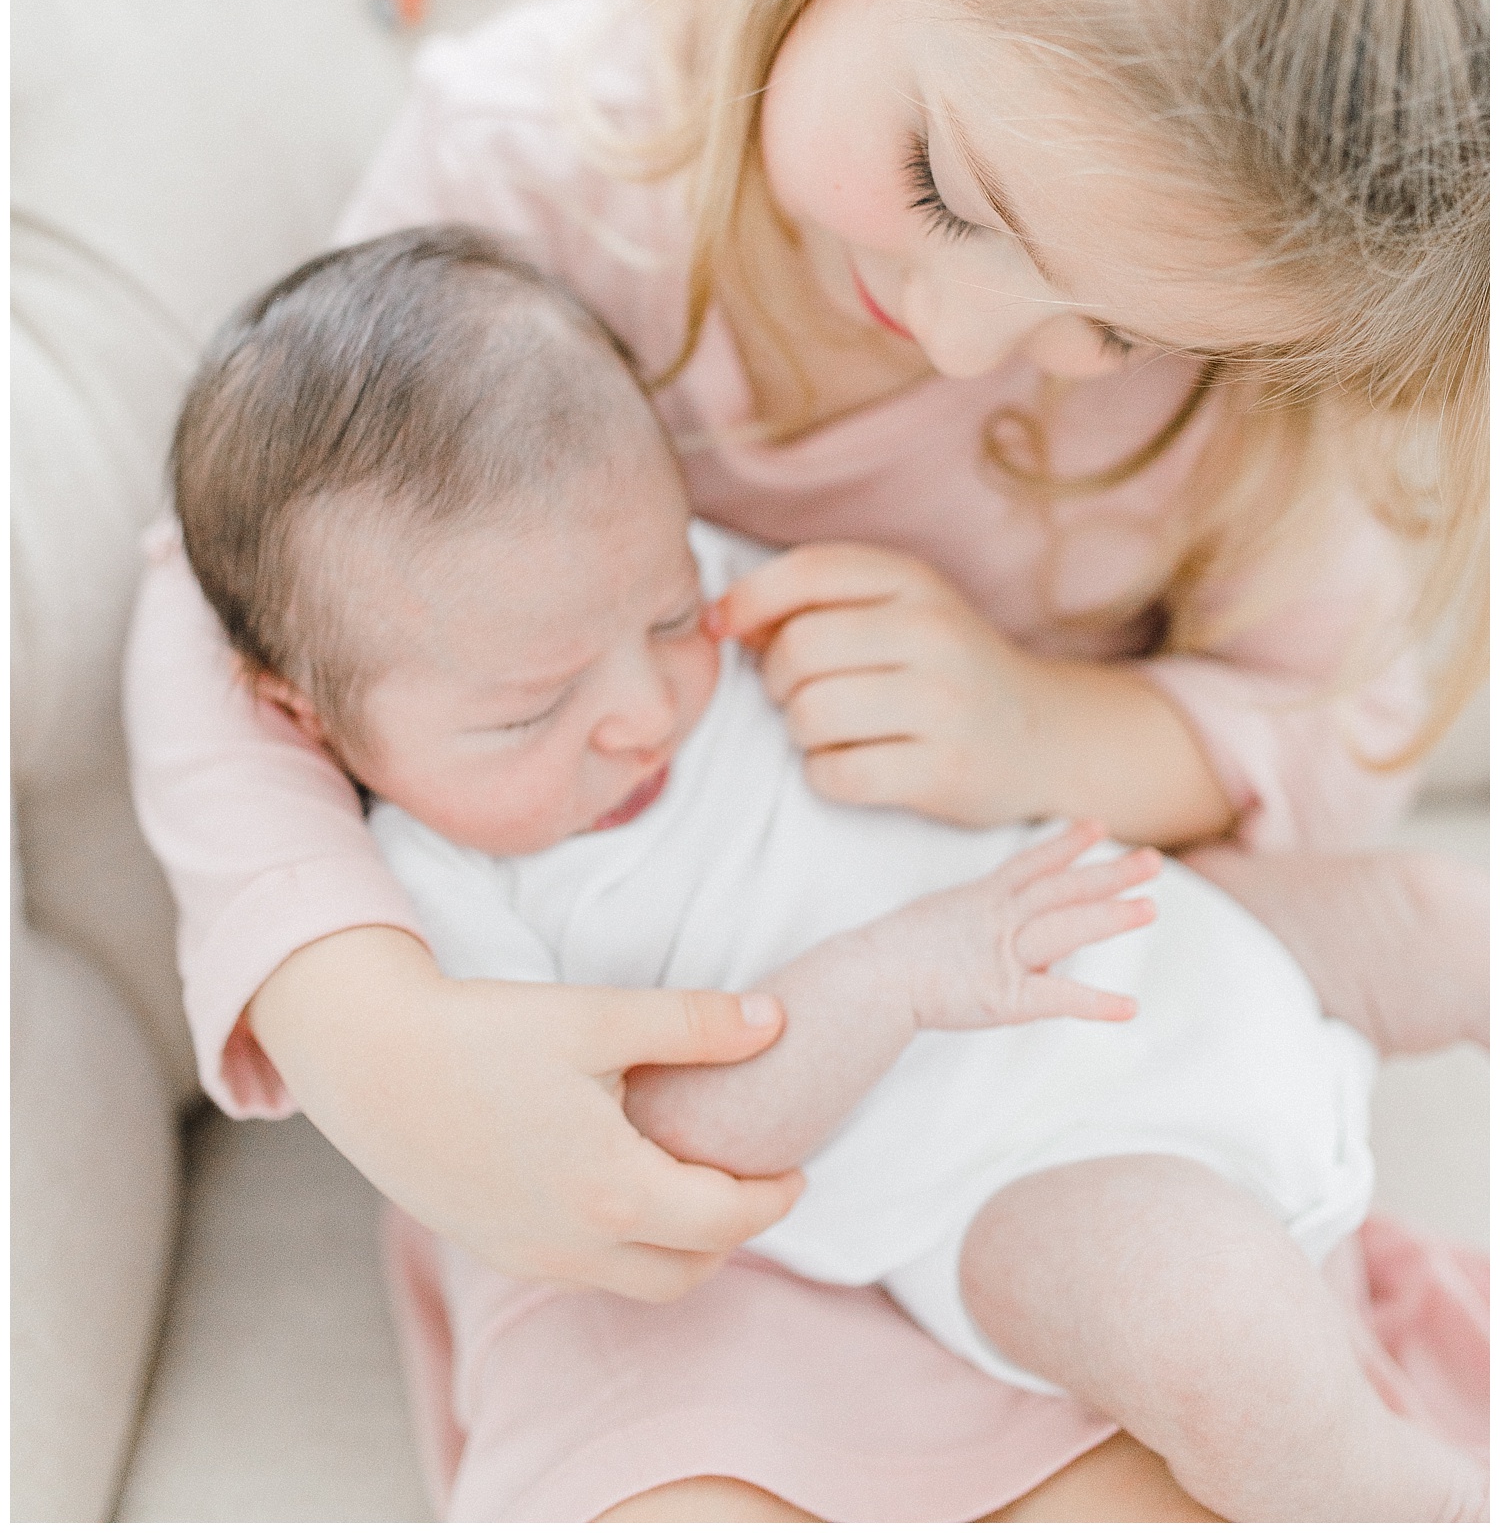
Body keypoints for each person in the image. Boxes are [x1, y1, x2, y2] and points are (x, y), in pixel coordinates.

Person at [126, 0, 1487, 1522]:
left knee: (1197, 1406)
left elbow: (1320, 735)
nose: (967, 334)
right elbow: (247, 592)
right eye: (947, 183)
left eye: (1110, 324)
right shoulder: (556, 170)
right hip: (657, 1143)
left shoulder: (1250, 401)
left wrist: (1047, 723)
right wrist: (370, 1031)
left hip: (1059, 1095)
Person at [165, 224, 1482, 1523]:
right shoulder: (437, 906)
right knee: (1221, 1336)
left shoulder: (686, 588)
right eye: (532, 709)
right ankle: (1401, 1498)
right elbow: (650, 1149)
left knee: (1446, 914)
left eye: (671, 611)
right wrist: (893, 981)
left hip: (1161, 924)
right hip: (1021, 1170)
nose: (645, 706)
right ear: (302, 712)